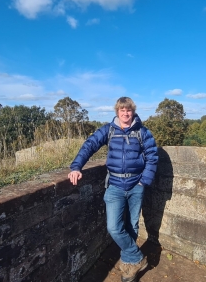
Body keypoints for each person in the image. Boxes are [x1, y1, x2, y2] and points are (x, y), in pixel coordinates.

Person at [68, 96, 158, 282]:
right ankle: (137, 257)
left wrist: (143, 182)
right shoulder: (109, 130)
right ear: (117, 111)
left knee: (132, 225)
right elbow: (90, 145)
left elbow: (152, 157)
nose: (126, 113)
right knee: (114, 228)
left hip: (136, 185)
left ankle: (128, 268)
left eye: (129, 110)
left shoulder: (142, 132)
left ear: (133, 111)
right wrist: (76, 167)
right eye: (122, 110)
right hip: (115, 185)